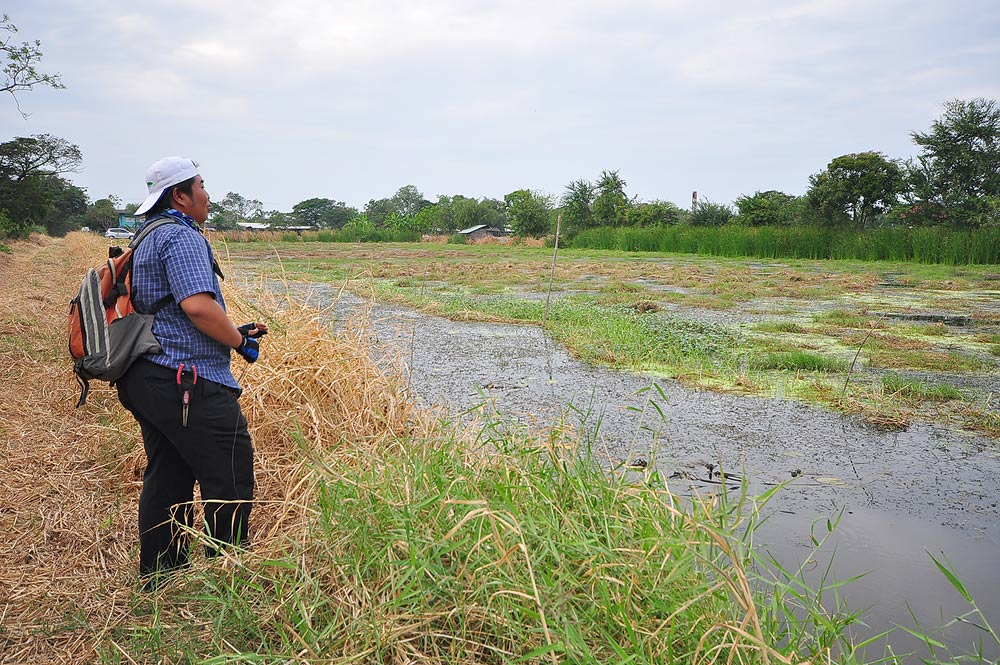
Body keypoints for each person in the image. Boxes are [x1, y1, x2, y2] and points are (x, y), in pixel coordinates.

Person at [115, 156, 267, 584]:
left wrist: (229, 329)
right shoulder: (182, 237)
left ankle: (162, 574)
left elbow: (170, 315)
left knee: (170, 473)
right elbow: (198, 306)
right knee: (231, 470)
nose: (208, 195)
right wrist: (241, 343)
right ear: (179, 195)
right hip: (186, 379)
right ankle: (228, 574)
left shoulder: (146, 235)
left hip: (149, 375)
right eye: (201, 185)